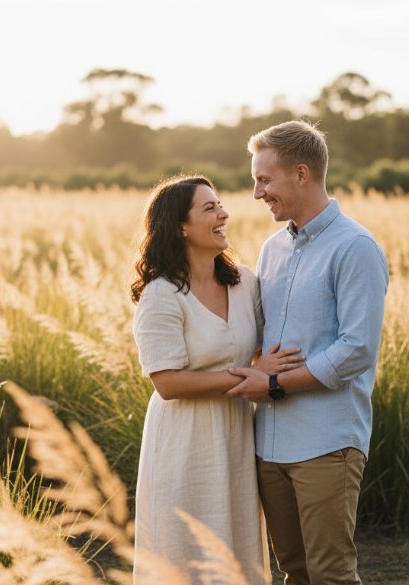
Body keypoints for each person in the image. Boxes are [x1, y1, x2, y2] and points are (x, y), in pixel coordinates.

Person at [226, 121, 389, 585]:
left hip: (327, 442)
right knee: (294, 572)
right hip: (269, 444)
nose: (257, 193)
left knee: (330, 574)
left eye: (264, 179)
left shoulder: (355, 247)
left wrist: (273, 384)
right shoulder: (271, 249)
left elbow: (357, 349)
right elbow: (262, 332)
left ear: (301, 174)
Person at [130, 174, 302, 584]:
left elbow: (262, 348)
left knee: (236, 550)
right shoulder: (162, 294)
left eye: (220, 204)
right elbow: (168, 383)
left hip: (237, 434)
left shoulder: (244, 282)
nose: (224, 213)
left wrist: (264, 371)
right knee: (185, 552)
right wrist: (251, 375)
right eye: (210, 208)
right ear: (180, 227)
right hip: (183, 441)